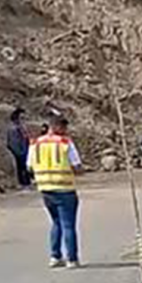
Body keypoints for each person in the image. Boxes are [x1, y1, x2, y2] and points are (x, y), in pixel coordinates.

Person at [28, 114, 82, 268]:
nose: (66, 131)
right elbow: (77, 166)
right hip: (64, 188)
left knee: (56, 222)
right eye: (64, 127)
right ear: (57, 127)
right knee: (68, 225)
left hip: (46, 189)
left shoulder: (35, 143)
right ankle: (72, 259)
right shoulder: (65, 143)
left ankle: (55, 256)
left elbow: (29, 166)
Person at [6, 107, 32, 188]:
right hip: (20, 151)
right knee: (21, 167)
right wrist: (20, 152)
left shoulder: (21, 127)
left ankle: (27, 181)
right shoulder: (13, 128)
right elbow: (13, 142)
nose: (23, 120)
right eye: (21, 117)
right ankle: (23, 183)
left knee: (26, 166)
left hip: (25, 149)